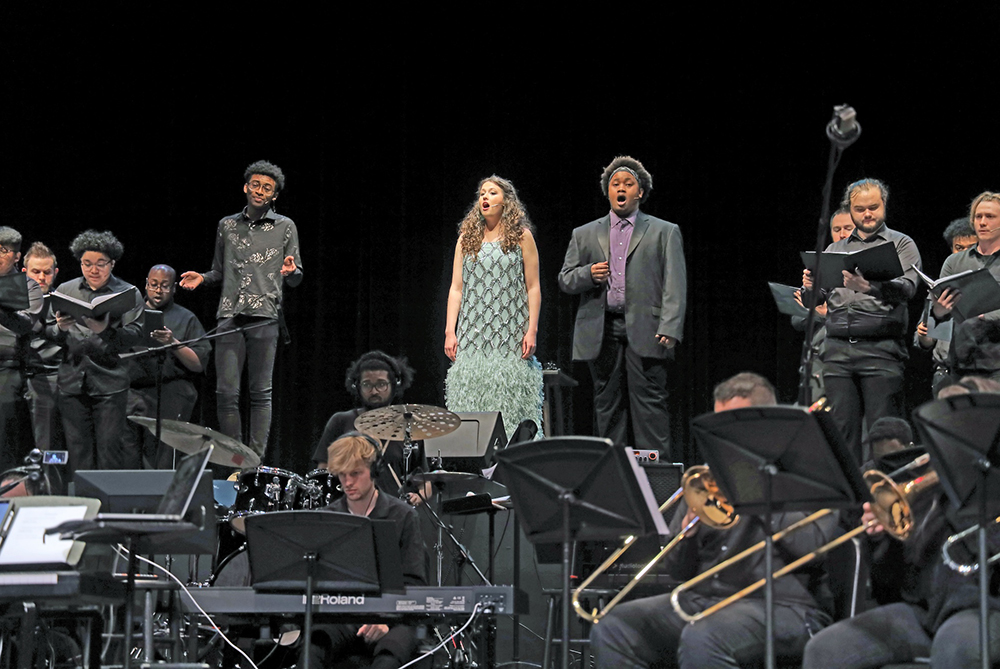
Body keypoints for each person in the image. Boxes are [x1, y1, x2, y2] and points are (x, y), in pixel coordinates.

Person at [590, 372, 838, 668]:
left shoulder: (809, 474)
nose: (723, 438)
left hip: (786, 606)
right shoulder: (708, 479)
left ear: (765, 423)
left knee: (705, 635)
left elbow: (814, 547)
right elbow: (677, 570)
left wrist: (756, 489)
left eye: (732, 426)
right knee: (614, 627)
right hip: (706, 601)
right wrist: (688, 534)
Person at [558, 156, 686, 457]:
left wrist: (670, 325)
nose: (621, 188)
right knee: (607, 406)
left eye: (628, 184)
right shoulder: (585, 233)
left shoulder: (664, 231)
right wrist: (588, 274)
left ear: (639, 192)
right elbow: (565, 279)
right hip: (601, 330)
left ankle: (658, 486)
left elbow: (675, 283)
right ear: (608, 191)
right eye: (615, 183)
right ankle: (613, 481)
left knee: (650, 408)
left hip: (648, 329)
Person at [179, 160, 302, 458]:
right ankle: (236, 460)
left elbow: (296, 277)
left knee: (260, 393)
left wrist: (291, 271)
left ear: (274, 196)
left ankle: (255, 462)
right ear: (246, 187)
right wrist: (202, 278)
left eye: (267, 188)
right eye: (256, 185)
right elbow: (219, 272)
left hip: (264, 318)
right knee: (226, 394)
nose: (260, 191)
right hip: (230, 316)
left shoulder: (285, 227)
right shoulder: (227, 225)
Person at [803, 178, 921, 463]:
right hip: (838, 352)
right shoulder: (835, 249)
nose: (867, 214)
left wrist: (870, 287)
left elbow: (908, 288)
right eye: (860, 209)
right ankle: (851, 505)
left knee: (885, 434)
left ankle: (887, 499)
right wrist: (809, 288)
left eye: (873, 207)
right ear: (850, 210)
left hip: (881, 350)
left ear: (884, 206)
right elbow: (816, 301)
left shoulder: (901, 243)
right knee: (842, 432)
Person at [301, 433, 427, 669]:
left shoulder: (403, 516)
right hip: (342, 615)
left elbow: (416, 583)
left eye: (355, 473)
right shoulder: (328, 518)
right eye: (342, 475)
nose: (347, 482)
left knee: (388, 657)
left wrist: (386, 620)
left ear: (374, 471)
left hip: (393, 617)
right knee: (313, 648)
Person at [444, 175, 543, 441]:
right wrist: (449, 332)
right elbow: (456, 288)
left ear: (506, 201)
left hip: (509, 333)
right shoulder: (466, 240)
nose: (485, 198)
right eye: (482, 194)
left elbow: (533, 286)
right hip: (473, 334)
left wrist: (532, 329)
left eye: (492, 193)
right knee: (472, 400)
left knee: (510, 402)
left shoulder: (522, 237)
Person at [48, 230, 143, 474]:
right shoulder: (66, 290)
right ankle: (83, 508)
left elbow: (137, 335)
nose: (93, 270)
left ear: (112, 263)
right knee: (78, 452)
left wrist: (105, 331)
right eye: (87, 264)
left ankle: (106, 508)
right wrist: (59, 329)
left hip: (110, 383)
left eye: (101, 264)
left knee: (109, 451)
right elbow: (50, 336)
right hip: (71, 380)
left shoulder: (128, 292)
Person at [311, 351, 429, 504]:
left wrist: (420, 496)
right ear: (357, 386)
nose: (374, 391)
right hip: (348, 513)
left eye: (381, 384)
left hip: (392, 514)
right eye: (367, 385)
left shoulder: (408, 426)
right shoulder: (341, 421)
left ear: (394, 384)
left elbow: (425, 480)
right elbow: (322, 472)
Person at [122, 265, 210, 468]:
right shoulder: (129, 315)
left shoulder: (186, 318)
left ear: (173, 289)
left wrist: (173, 343)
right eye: (153, 285)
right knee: (128, 453)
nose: (158, 290)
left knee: (162, 456)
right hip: (133, 391)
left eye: (164, 286)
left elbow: (198, 364)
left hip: (170, 391)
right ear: (146, 284)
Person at [931, 192, 1000, 386]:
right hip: (961, 362)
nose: (982, 222)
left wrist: (985, 316)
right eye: (978, 217)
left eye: (990, 217)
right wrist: (939, 311)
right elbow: (937, 320)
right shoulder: (954, 262)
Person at [793, 208, 856, 402]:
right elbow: (798, 318)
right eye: (836, 229)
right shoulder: (822, 266)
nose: (842, 234)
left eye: (848, 228)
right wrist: (820, 311)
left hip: (851, 357)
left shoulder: (866, 270)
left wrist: (828, 313)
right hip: (819, 360)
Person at [914, 217, 978, 395]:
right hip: (946, 375)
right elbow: (926, 342)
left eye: (971, 247)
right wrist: (924, 333)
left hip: (983, 374)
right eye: (959, 248)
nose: (963, 254)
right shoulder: (941, 289)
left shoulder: (989, 285)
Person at [0, 228, 43, 473]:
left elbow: (25, 324)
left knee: (5, 446)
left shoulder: (29, 287)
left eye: (3, 251)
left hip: (7, 372)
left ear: (17, 256)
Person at [21, 242, 65, 455]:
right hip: (13, 378)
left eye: (47, 272)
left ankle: (48, 489)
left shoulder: (62, 303)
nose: (41, 278)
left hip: (47, 380)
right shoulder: (11, 301)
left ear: (55, 273)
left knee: (46, 448)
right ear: (24, 272)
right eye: (35, 272)